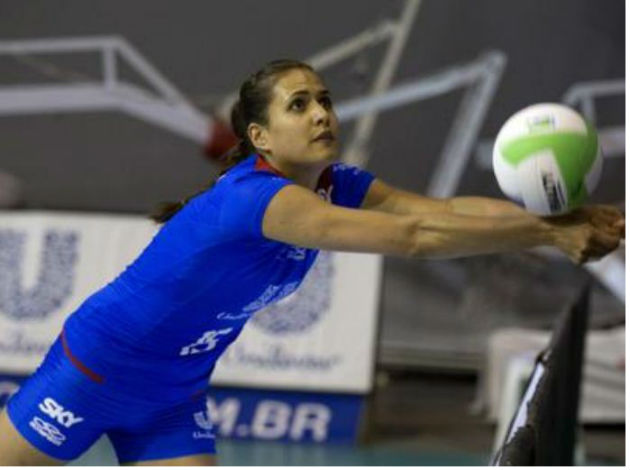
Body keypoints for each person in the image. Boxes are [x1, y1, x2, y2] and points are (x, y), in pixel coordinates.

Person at [0, 59, 623, 466]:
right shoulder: (261, 200)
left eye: (324, 99)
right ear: (261, 137)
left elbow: (443, 209)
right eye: (299, 105)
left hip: (174, 391)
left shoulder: (334, 183)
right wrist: (548, 233)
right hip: (96, 368)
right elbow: (413, 237)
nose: (322, 112)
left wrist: (569, 217)